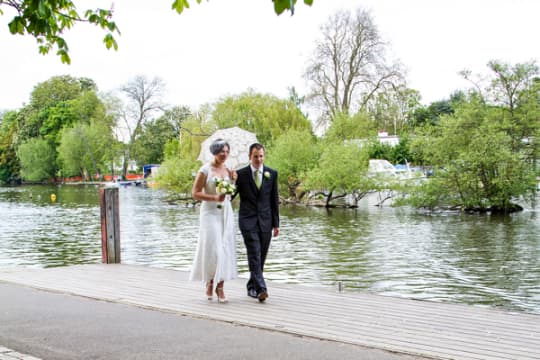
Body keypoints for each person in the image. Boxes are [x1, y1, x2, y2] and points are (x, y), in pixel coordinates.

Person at [189, 139, 238, 303]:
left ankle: (220, 286)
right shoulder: (205, 170)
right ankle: (210, 281)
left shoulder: (229, 170)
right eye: (221, 151)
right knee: (214, 249)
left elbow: (230, 193)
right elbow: (195, 193)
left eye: (226, 151)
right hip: (210, 213)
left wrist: (233, 181)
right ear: (214, 152)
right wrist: (214, 197)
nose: (224, 154)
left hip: (225, 212)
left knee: (225, 248)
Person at [235, 143, 279, 302]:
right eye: (255, 156)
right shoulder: (240, 175)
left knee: (261, 256)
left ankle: (251, 286)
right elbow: (230, 196)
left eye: (261, 156)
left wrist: (276, 224)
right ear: (249, 156)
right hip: (247, 220)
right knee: (254, 252)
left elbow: (274, 200)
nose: (259, 159)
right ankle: (261, 289)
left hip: (266, 221)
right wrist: (230, 182)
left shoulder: (272, 174)